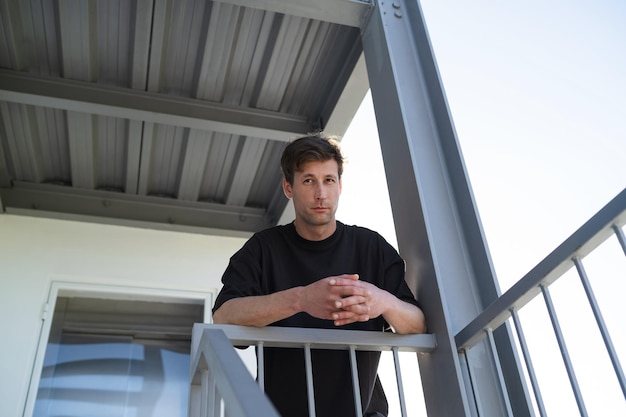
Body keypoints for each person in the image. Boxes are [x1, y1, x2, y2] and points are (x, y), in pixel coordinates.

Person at [212, 132, 426, 417]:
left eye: (329, 180)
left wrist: (383, 301)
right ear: (289, 188)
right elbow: (223, 317)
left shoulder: (371, 247)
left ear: (340, 185)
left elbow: (418, 325)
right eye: (308, 181)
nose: (321, 193)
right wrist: (301, 299)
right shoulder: (263, 249)